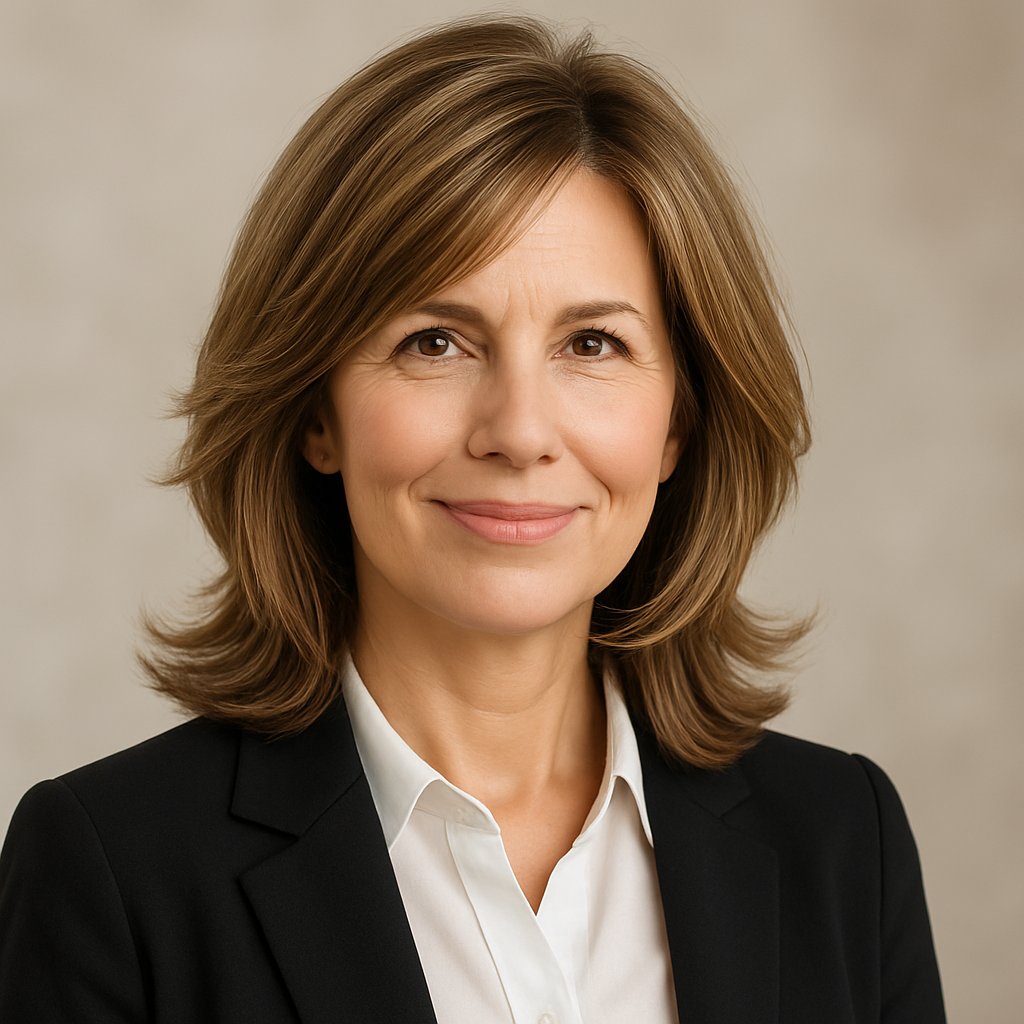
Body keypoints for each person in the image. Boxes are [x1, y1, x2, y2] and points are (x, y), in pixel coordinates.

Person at [0, 14, 945, 1023]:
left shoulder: (844, 840)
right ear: (315, 411)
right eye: (436, 342)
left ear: (678, 424)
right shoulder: (114, 868)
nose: (519, 431)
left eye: (592, 343)